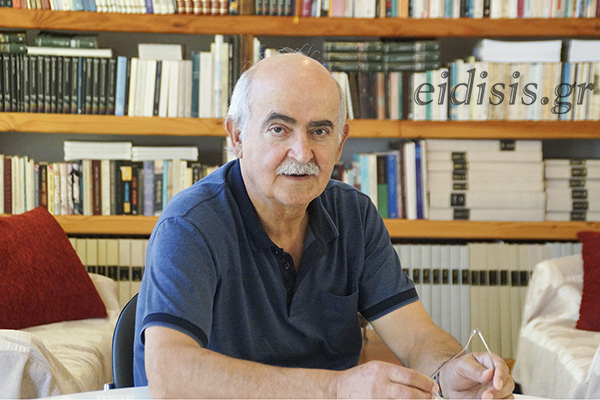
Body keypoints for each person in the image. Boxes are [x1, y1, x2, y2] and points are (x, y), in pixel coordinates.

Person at [133, 51, 514, 399]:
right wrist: (336, 388)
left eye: (319, 131)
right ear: (237, 137)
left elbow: (416, 338)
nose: (302, 152)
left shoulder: (354, 214)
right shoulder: (190, 224)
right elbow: (169, 374)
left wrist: (449, 371)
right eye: (279, 128)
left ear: (340, 140)